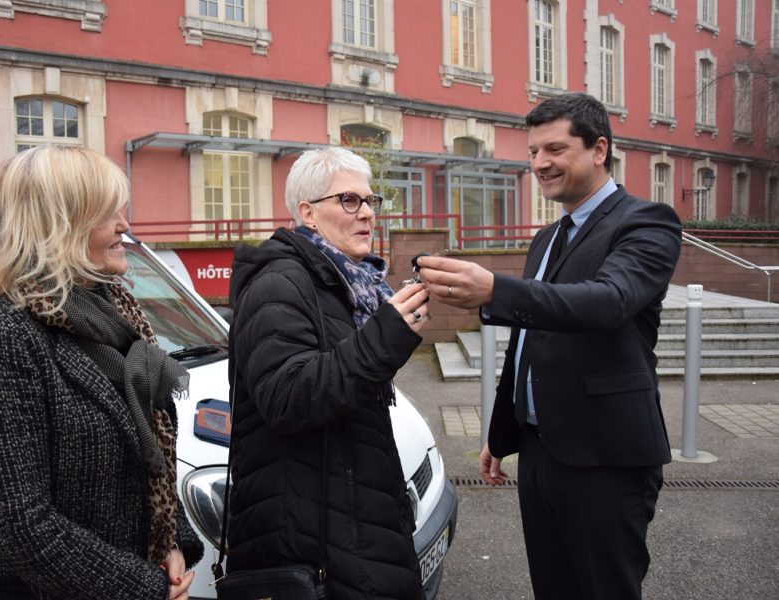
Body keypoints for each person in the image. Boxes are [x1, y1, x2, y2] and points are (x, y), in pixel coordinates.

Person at [417, 92, 682, 600]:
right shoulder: (546, 238)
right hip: (541, 451)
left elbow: (607, 302)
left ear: (599, 149)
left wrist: (496, 289)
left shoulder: (647, 221)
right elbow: (528, 341)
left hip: (606, 458)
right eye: (533, 151)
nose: (539, 164)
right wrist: (503, 432)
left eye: (554, 149)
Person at [0, 146, 203, 600]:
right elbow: (17, 522)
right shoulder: (2, 335)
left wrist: (170, 543)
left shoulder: (119, 320)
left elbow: (149, 464)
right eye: (107, 213)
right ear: (58, 225)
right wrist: (143, 587)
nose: (125, 225)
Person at [226, 146, 430, 600]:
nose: (368, 214)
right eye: (349, 201)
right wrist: (387, 335)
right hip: (312, 542)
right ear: (308, 214)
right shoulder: (279, 282)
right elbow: (288, 396)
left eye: (370, 201)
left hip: (355, 521)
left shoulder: (353, 283)